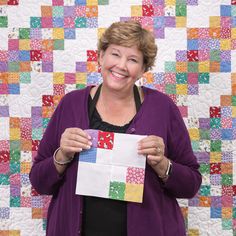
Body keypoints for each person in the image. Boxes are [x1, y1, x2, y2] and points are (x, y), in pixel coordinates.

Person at [29, 20, 202, 236]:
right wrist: (62, 155)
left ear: (142, 70)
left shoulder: (163, 108)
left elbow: (191, 185)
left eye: (132, 59)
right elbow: (39, 182)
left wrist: (163, 165)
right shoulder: (70, 104)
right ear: (100, 56)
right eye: (115, 54)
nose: (121, 65)